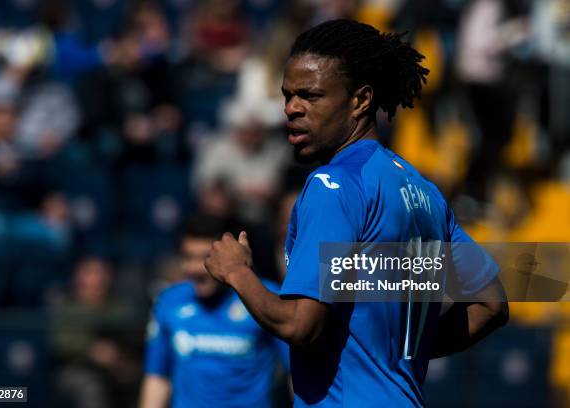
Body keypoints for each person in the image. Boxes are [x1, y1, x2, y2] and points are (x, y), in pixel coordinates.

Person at [205, 19, 509, 407]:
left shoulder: (333, 187)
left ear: (360, 100)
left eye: (310, 96)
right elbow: (491, 305)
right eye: (287, 96)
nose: (291, 109)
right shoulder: (424, 190)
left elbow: (300, 324)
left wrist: (237, 273)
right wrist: (398, 353)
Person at [139, 213, 289, 408]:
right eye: (188, 257)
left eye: (205, 258)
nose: (195, 268)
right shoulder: (169, 300)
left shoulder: (264, 297)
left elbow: (297, 375)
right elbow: (157, 378)